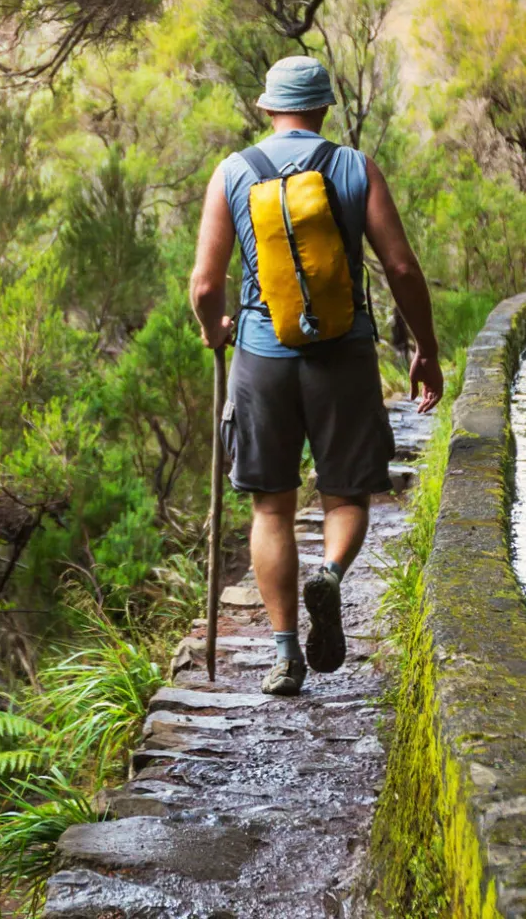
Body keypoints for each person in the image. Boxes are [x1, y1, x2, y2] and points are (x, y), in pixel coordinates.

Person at [189, 56, 443, 696]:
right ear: (325, 107)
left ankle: (284, 656)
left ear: (268, 107)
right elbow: (404, 270)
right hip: (343, 353)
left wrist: (212, 328)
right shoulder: (356, 168)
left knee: (271, 506)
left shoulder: (233, 172)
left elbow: (204, 285)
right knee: (347, 494)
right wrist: (425, 349)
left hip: (260, 356)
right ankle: (328, 575)